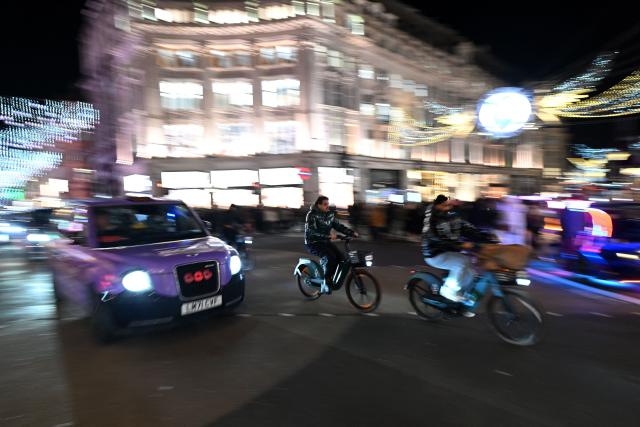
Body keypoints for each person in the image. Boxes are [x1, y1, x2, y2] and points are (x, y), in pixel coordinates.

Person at [422, 195, 485, 311]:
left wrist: (484, 236)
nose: (449, 207)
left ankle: (462, 292)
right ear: (438, 205)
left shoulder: (451, 216)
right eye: (446, 205)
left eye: (450, 205)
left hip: (448, 251)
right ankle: (449, 291)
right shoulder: (431, 218)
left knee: (468, 262)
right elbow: (434, 237)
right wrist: (459, 245)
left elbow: (466, 227)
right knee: (460, 263)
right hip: (434, 253)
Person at [305, 196, 358, 294]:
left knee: (341, 258)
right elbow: (311, 231)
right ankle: (326, 281)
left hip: (325, 241)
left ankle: (331, 276)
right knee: (331, 257)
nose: (327, 206)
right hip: (313, 242)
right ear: (319, 205)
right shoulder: (311, 215)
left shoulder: (329, 215)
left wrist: (351, 233)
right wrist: (328, 236)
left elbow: (338, 226)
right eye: (325, 204)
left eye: (327, 204)